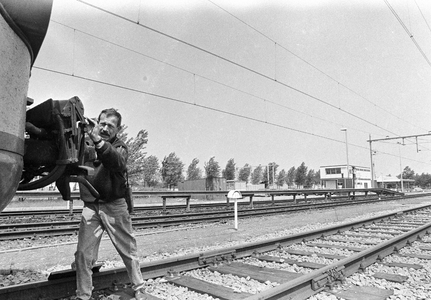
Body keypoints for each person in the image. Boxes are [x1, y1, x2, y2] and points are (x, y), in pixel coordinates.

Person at [74, 108, 146, 300]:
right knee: (83, 254)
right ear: (97, 122)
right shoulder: (87, 143)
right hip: (91, 206)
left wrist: (97, 140)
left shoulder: (121, 148)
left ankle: (139, 286)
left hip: (115, 205)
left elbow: (116, 162)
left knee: (127, 249)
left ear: (118, 129)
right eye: (102, 123)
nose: (105, 128)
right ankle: (83, 295)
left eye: (110, 126)